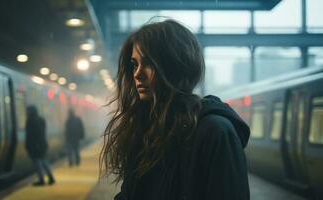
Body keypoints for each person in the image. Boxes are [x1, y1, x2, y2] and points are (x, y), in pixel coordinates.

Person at [100, 19, 250, 200]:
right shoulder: (146, 129)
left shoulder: (216, 131)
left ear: (174, 65)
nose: (137, 73)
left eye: (148, 63)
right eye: (134, 64)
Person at [25, 105, 55, 186]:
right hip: (42, 144)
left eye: (28, 111)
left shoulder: (30, 121)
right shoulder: (41, 120)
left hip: (35, 145)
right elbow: (42, 133)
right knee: (44, 161)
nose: (27, 112)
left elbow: (30, 135)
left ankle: (41, 179)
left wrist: (28, 146)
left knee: (37, 163)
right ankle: (51, 177)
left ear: (31, 111)